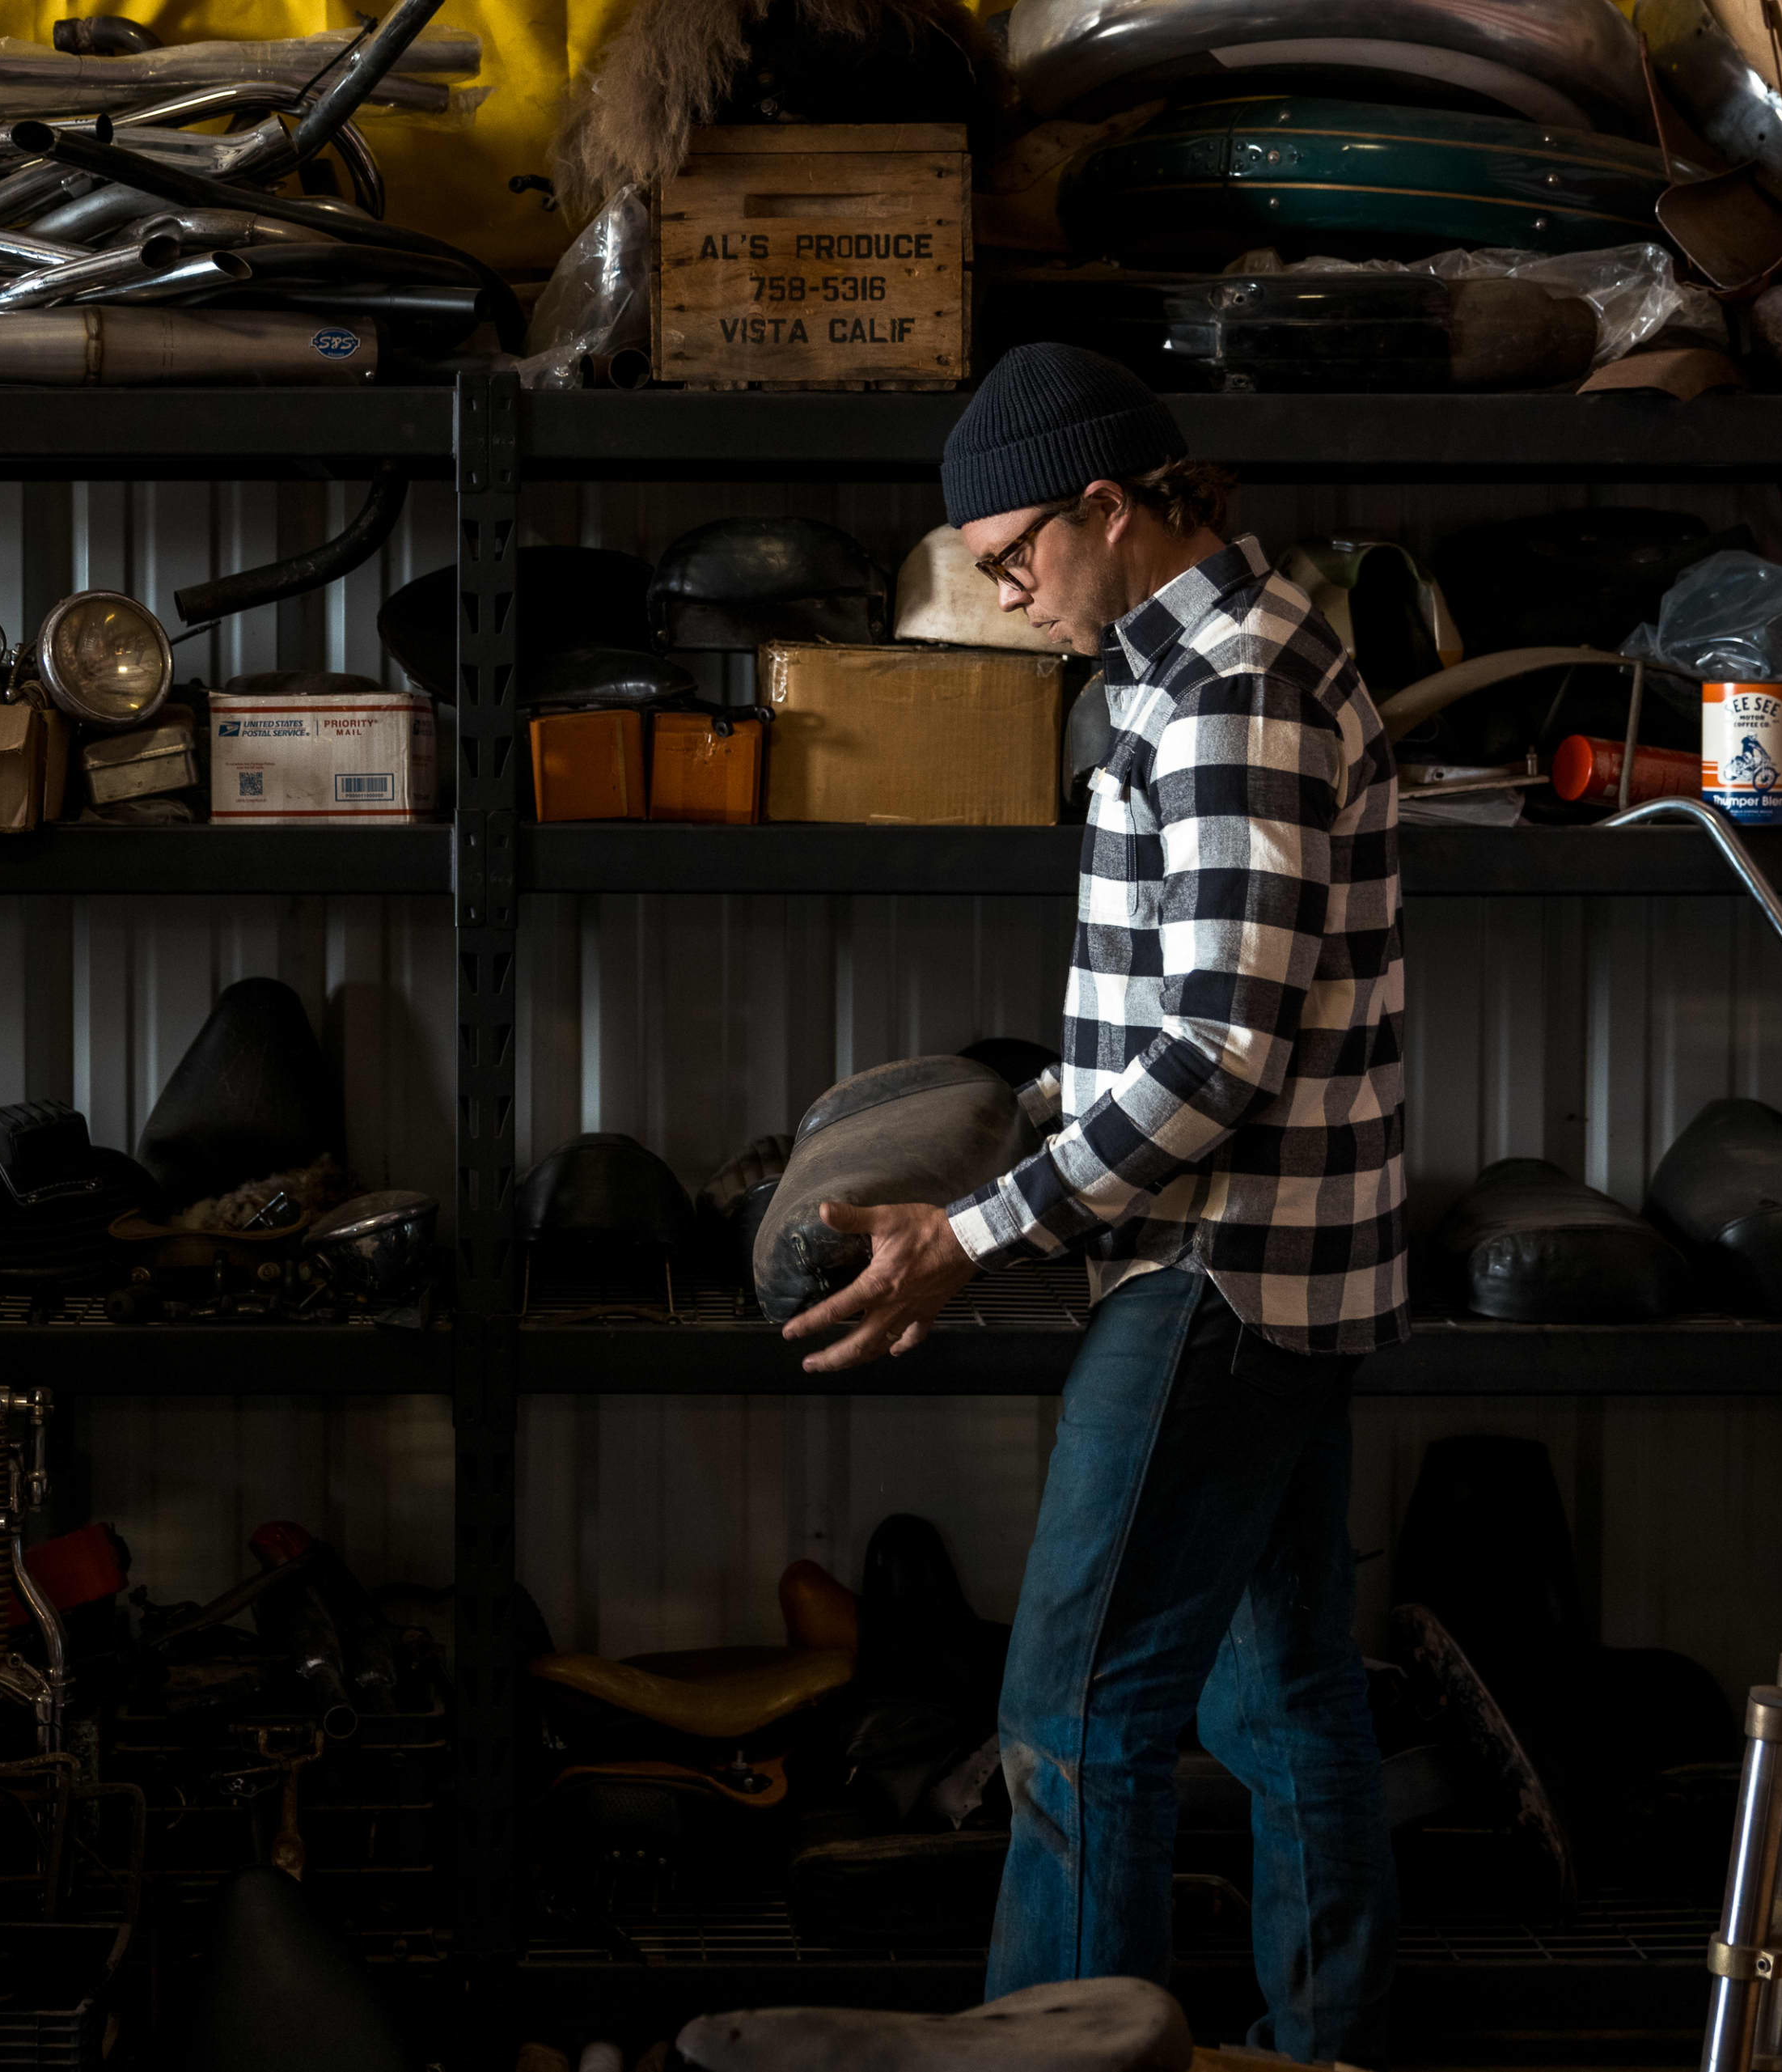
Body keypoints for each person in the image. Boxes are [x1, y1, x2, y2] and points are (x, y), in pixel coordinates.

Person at [781, 343, 1409, 2063]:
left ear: (1115, 509)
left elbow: (1217, 1053)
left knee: (1073, 1714)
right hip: (1266, 1272)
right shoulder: (1182, 669)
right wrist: (1020, 1137)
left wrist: (972, 1233)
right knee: (1283, 1709)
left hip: (1219, 1277)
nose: (1007, 598)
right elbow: (1165, 1013)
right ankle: (1323, 2051)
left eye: (1015, 561)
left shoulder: (1232, 692)